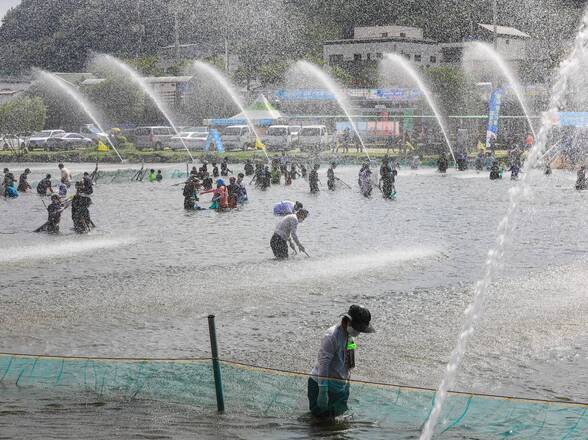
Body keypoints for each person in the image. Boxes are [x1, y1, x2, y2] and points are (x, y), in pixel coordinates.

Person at [308, 305, 375, 418]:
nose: (358, 332)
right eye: (357, 328)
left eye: (360, 330)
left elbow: (349, 363)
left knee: (338, 421)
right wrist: (323, 391)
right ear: (347, 321)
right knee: (320, 423)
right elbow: (323, 365)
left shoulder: (350, 337)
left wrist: (347, 383)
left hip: (340, 385)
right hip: (322, 384)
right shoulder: (331, 336)